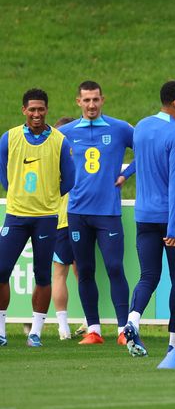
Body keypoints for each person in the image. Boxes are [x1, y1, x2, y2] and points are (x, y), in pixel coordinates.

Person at [122, 80, 175, 358]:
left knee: (148, 276)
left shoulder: (141, 126)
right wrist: (173, 226)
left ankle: (132, 320)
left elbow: (145, 166)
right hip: (170, 216)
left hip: (144, 215)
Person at [58, 81, 136, 346]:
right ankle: (93, 330)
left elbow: (146, 150)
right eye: (86, 100)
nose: (91, 105)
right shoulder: (65, 132)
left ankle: (125, 330)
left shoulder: (120, 128)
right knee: (86, 270)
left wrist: (126, 173)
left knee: (115, 267)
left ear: (103, 100)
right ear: (78, 102)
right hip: (77, 213)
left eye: (95, 100)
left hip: (108, 213)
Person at [0, 88, 75, 347]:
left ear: (47, 110)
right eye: (31, 109)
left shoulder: (59, 140)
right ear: (24, 110)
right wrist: (17, 194)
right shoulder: (8, 138)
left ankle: (36, 331)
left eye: (40, 109)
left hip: (46, 217)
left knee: (42, 274)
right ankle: (1, 330)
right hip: (16, 215)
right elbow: (3, 174)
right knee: (1, 269)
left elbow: (70, 179)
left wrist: (49, 197)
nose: (36, 114)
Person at [51, 116, 78, 341]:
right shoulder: (81, 154)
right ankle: (91, 323)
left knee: (59, 274)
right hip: (82, 217)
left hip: (60, 219)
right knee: (83, 273)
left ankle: (63, 328)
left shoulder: (51, 156)